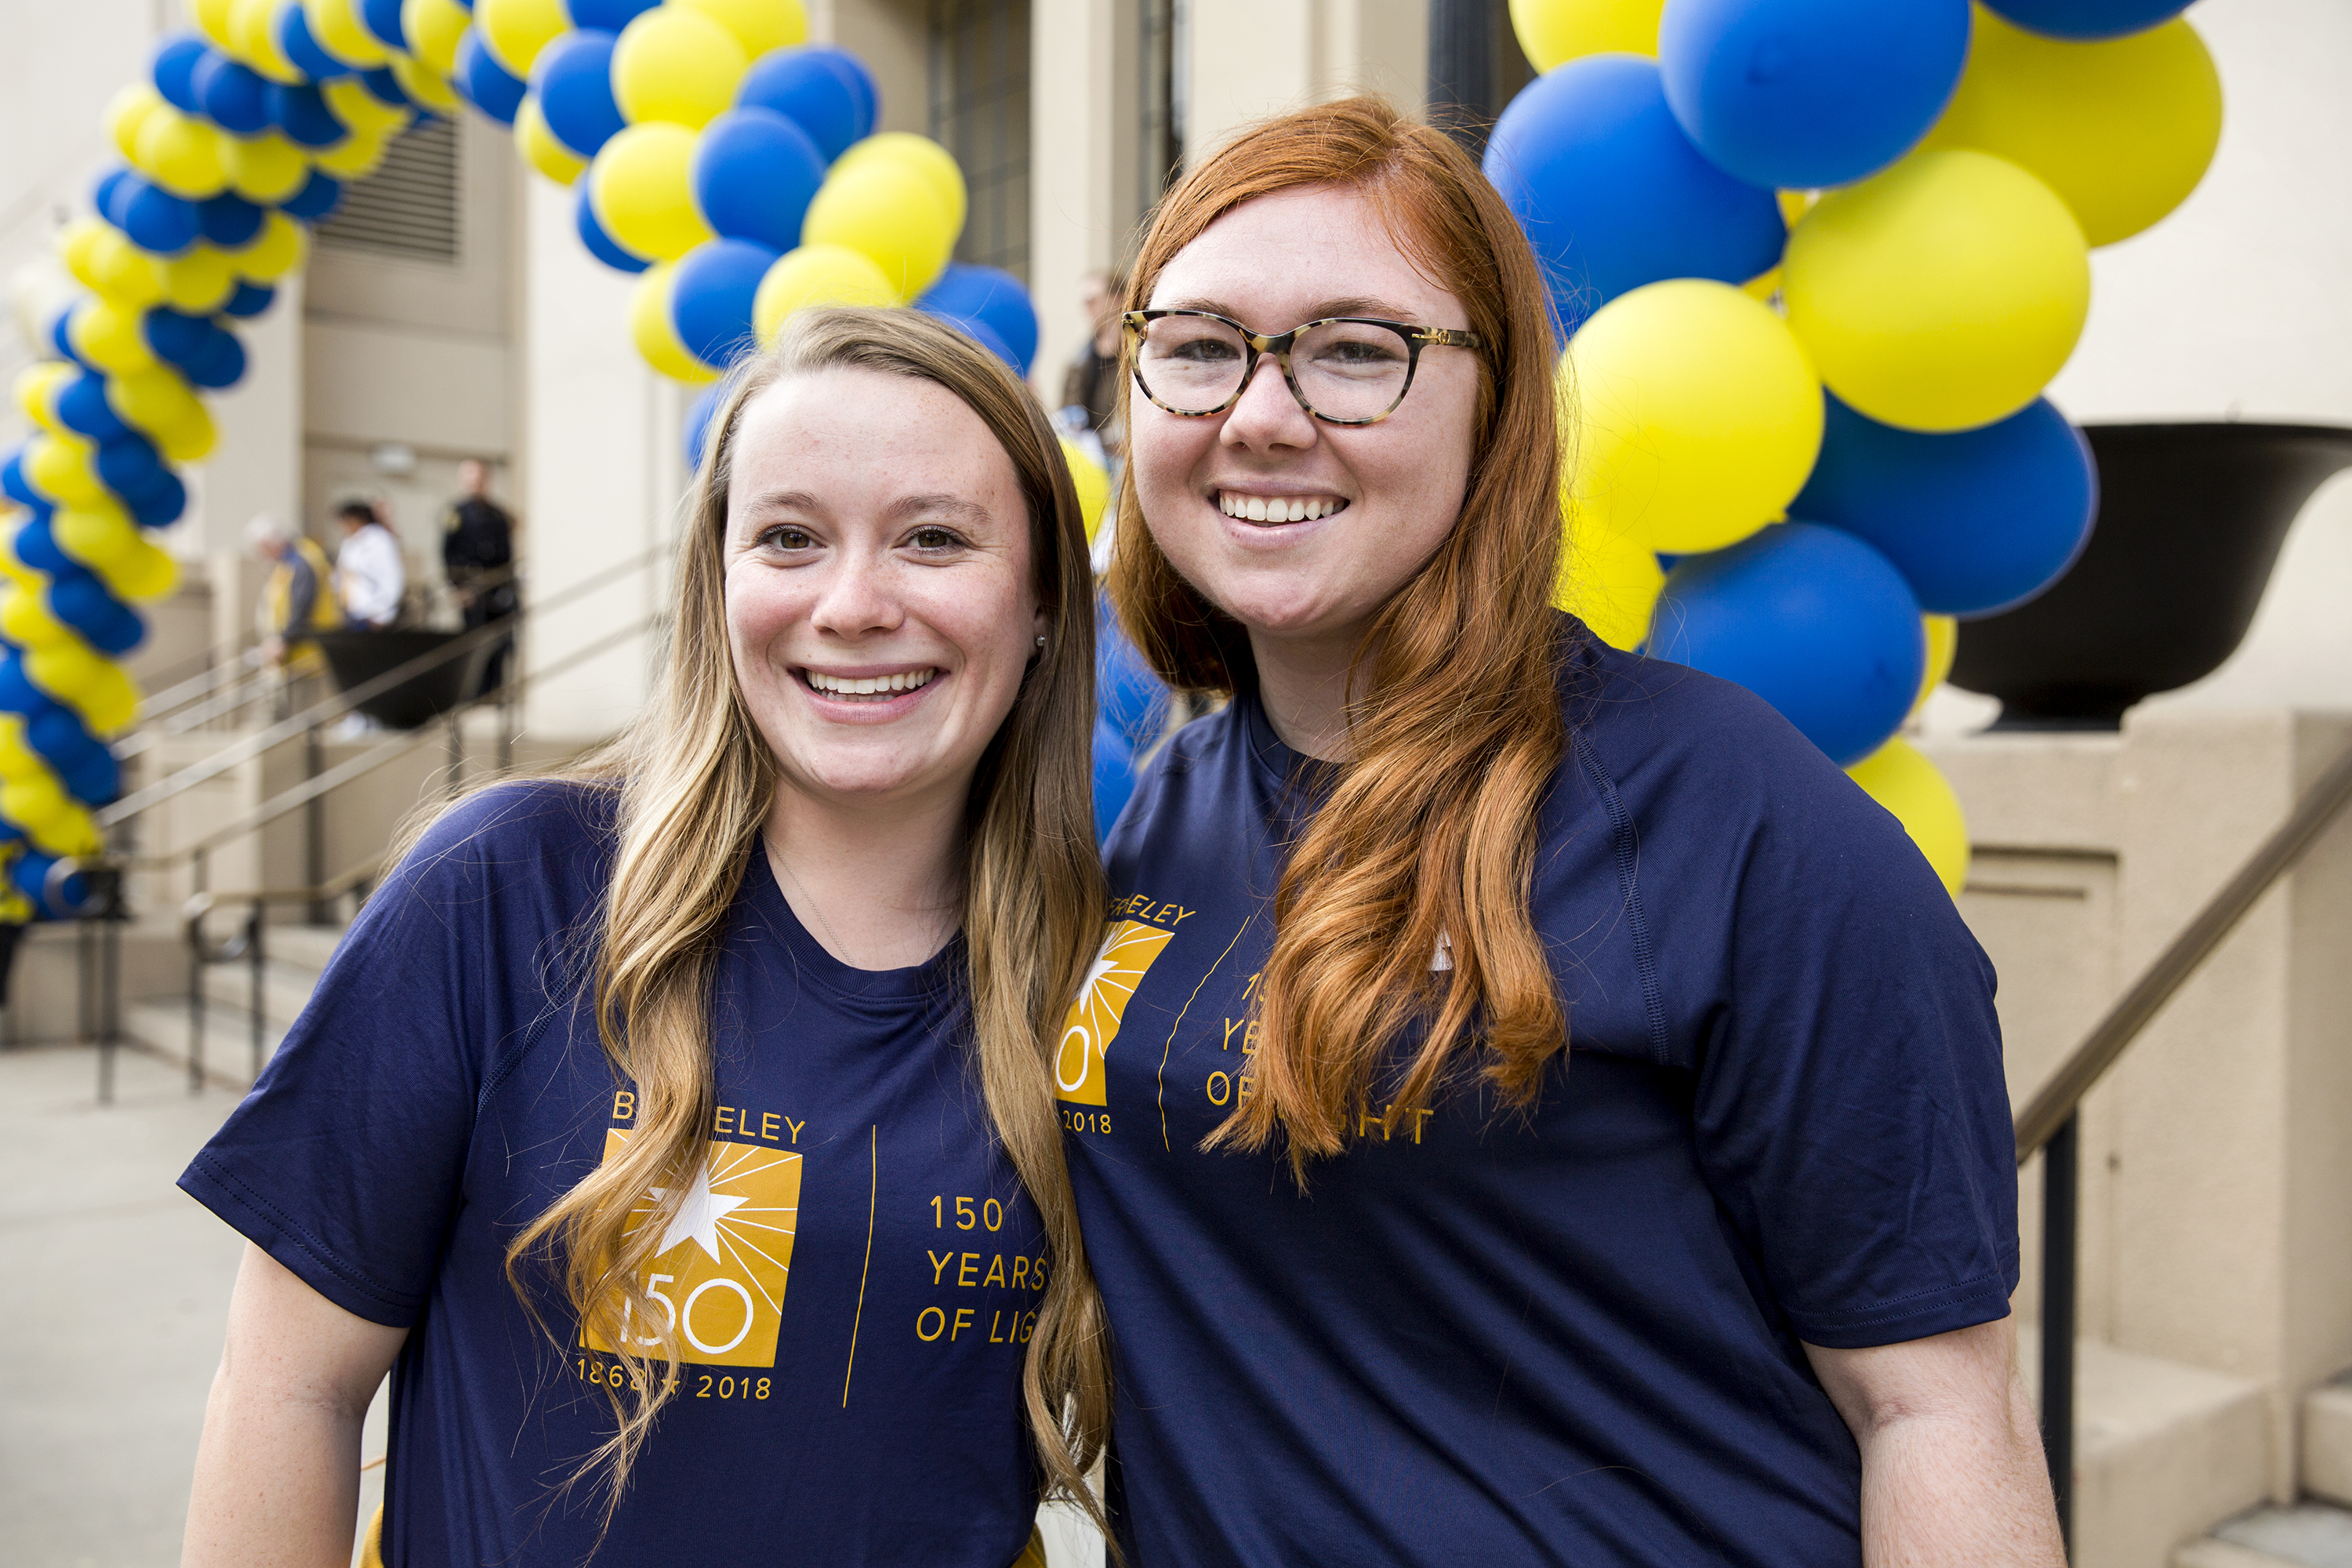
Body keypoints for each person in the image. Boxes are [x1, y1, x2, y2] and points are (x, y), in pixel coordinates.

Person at [1069, 98, 2063, 1566]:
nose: (1262, 415)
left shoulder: (1739, 823)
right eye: (1202, 346)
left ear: (1496, 407)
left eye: (1357, 351)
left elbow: (1935, 1413)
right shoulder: (1167, 807)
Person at [180, 310, 1112, 1566]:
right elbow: (288, 1390)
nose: (851, 604)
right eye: (788, 538)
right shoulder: (508, 891)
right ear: (716, 584)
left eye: (933, 539)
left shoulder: (1101, 982)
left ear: (1045, 601)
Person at [246, 514, 341, 707]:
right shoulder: (289, 562)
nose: (261, 555)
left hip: (304, 651)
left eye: (262, 548)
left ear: (271, 542)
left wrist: (283, 640)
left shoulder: (302, 561)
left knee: (301, 712)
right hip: (294, 652)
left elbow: (302, 605)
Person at [441, 457, 517, 692]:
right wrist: (458, 588)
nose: (476, 482)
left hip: (496, 588)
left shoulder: (498, 514)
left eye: (480, 476)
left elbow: (507, 553)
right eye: (470, 477)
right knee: (473, 641)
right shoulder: (456, 513)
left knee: (500, 641)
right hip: (471, 589)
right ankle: (473, 692)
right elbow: (447, 553)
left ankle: (495, 689)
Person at [332, 499, 405, 630]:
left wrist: (381, 614)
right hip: (352, 614)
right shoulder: (349, 542)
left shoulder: (380, 541)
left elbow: (392, 579)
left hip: (372, 617)